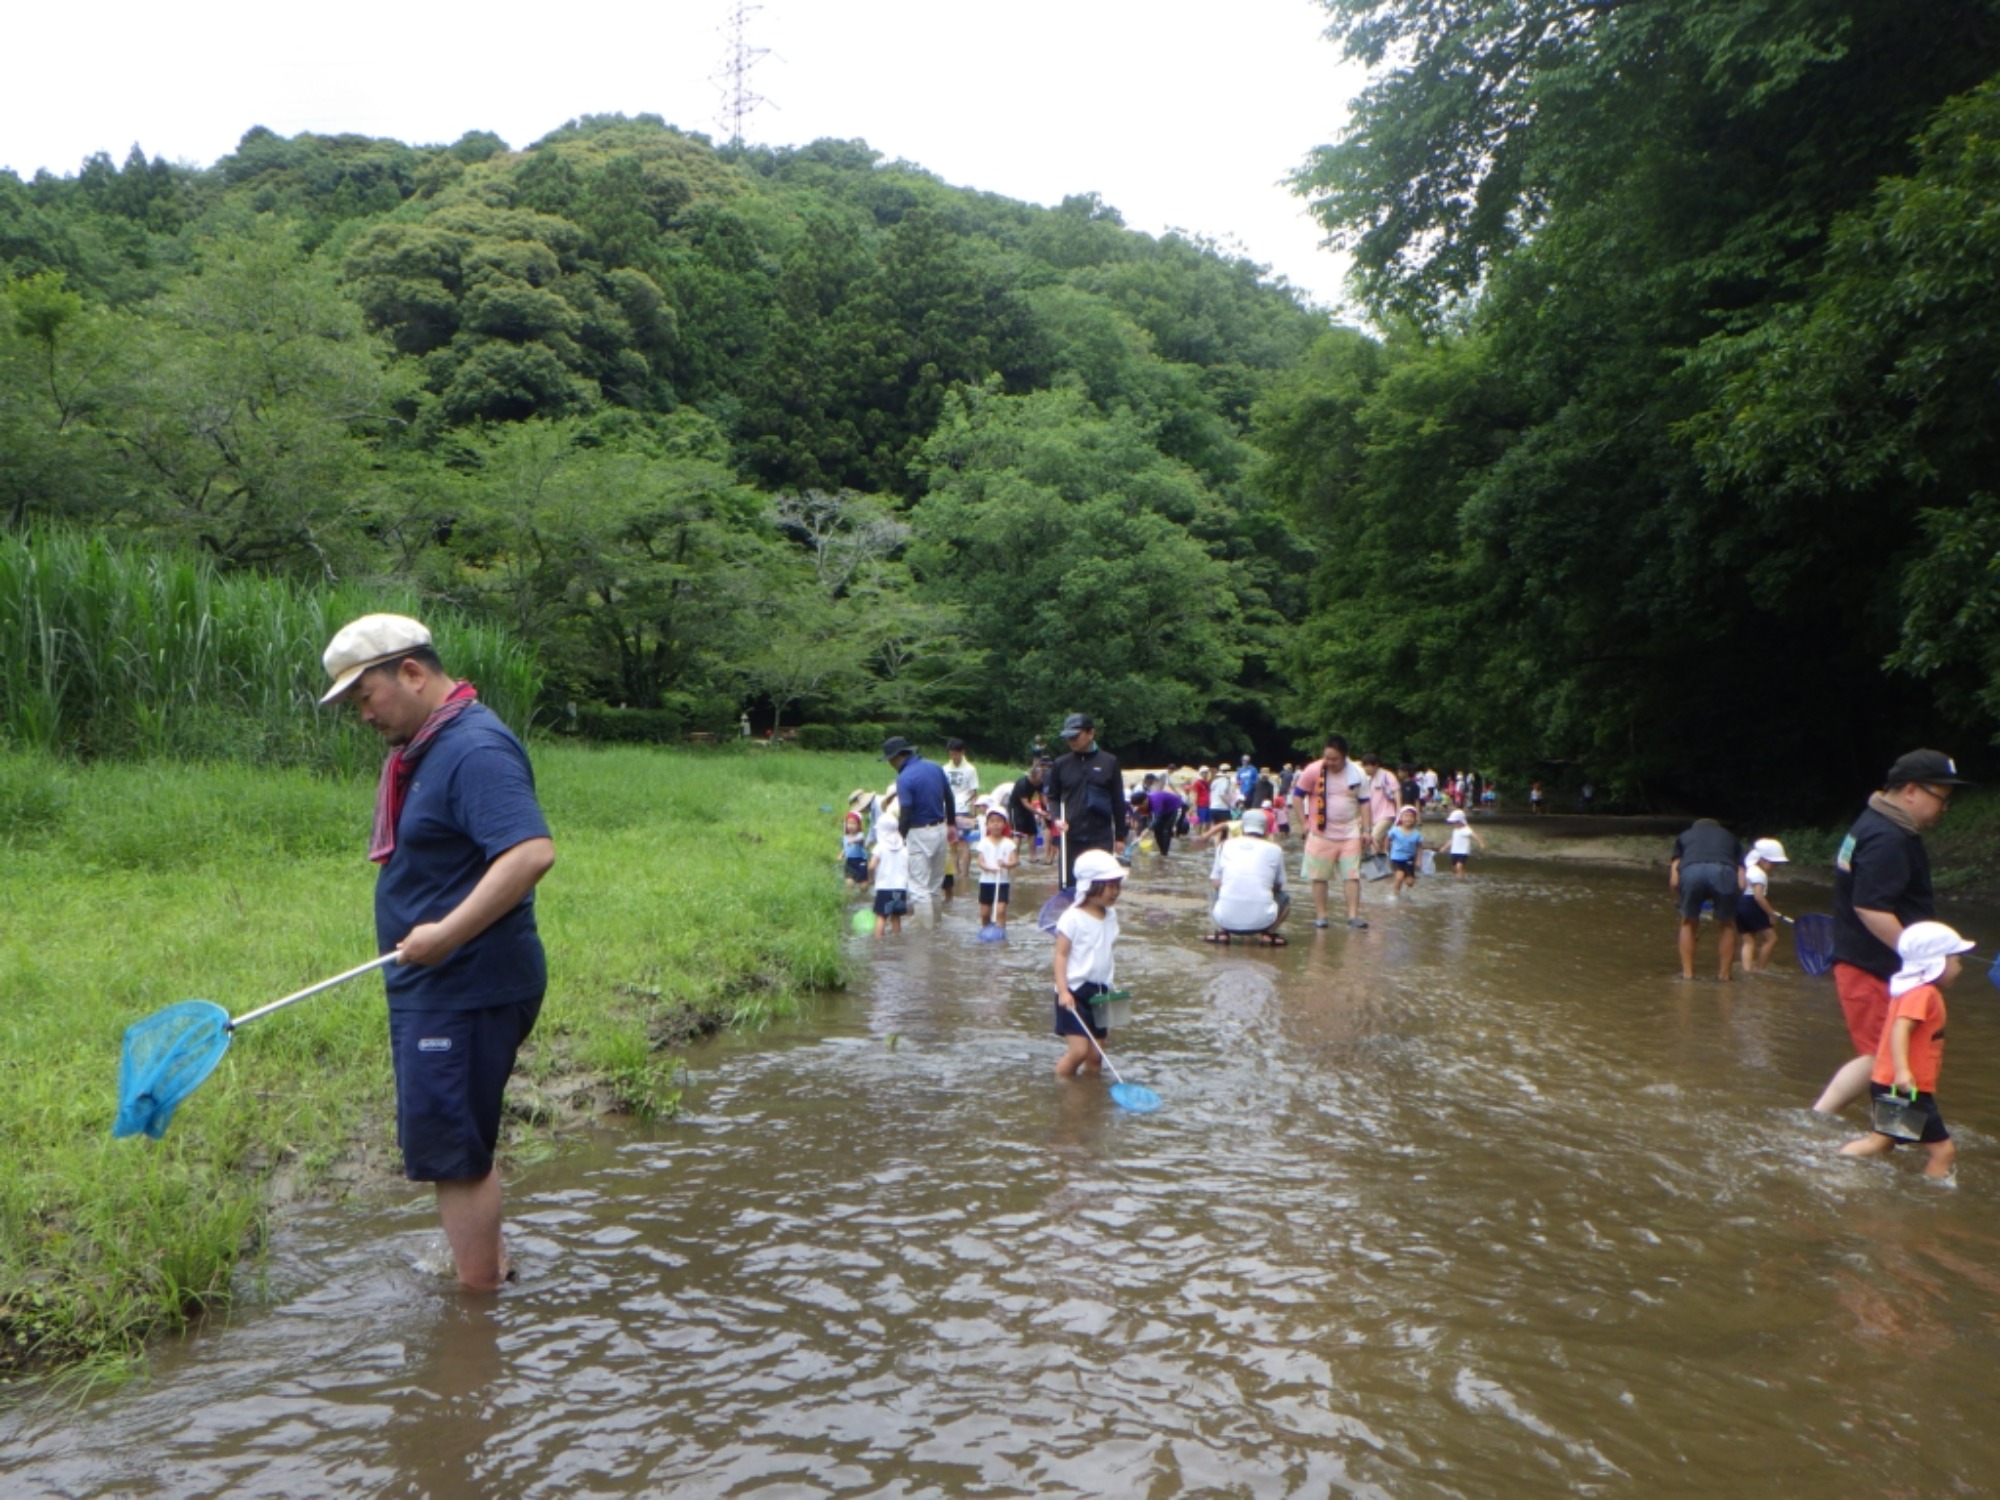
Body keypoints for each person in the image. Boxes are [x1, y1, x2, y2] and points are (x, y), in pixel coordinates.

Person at [318, 612, 555, 1292]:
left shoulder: (472, 748)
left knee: (454, 1153)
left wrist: (446, 933)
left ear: (413, 672)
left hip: (465, 985)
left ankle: (476, 1311)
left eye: (366, 697)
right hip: (442, 986)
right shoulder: (429, 745)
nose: (362, 715)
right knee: (460, 1140)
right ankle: (489, 1267)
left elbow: (531, 852)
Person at [1814, 750, 1970, 1115]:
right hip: (1871, 965)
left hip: (1867, 961)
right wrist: (1925, 958)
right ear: (1911, 790)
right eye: (1942, 798)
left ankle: (1830, 1120)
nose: (1944, 809)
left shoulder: (1875, 824)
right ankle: (1886, 1137)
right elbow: (1871, 907)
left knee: (1880, 1054)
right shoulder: (1887, 838)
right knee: (1889, 1057)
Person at [1839, 922, 1974, 1180]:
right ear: (1936, 962)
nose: (1960, 967)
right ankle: (1931, 1200)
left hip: (1890, 1083)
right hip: (1903, 1087)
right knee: (1943, 1152)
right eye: (1955, 959)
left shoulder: (1915, 990)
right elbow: (1900, 1029)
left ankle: (1834, 1162)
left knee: (1880, 1143)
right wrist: (1903, 1072)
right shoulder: (1922, 994)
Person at [1052, 848, 1126, 1079]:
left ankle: (1089, 1098)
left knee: (1096, 1057)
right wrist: (1063, 991)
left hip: (1102, 991)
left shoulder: (1110, 915)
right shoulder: (1072, 918)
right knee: (1080, 1050)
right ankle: (1060, 1086)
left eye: (1118, 885)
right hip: (1074, 992)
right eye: (1109, 886)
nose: (1115, 892)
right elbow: (1061, 956)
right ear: (1090, 886)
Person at [1290, 733, 1369, 929]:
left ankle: (1352, 916)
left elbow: (1365, 803)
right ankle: (1322, 916)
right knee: (1319, 876)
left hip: (1350, 831)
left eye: (1335, 759)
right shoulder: (1313, 770)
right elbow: (1298, 796)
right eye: (1327, 757)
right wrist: (1304, 823)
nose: (1330, 762)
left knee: (1352, 875)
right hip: (1320, 832)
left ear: (1344, 757)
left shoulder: (1357, 773)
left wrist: (1367, 829)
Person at [1044, 713, 1128, 889]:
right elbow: (1052, 797)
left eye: (1075, 736)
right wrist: (1056, 818)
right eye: (1068, 738)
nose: (1071, 741)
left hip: (1101, 836)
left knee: (1100, 887)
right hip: (1070, 836)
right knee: (1070, 886)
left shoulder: (1109, 762)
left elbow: (1118, 801)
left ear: (1090, 734)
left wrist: (1120, 836)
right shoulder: (1061, 764)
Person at [883, 736, 952, 918]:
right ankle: (937, 927)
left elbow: (906, 812)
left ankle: (924, 937)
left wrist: (899, 838)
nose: (890, 764)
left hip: (918, 832)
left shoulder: (904, 778)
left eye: (890, 760)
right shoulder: (935, 767)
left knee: (919, 889)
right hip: (940, 829)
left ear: (897, 757)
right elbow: (949, 798)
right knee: (935, 886)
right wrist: (951, 824)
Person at [1669, 817, 1743, 980]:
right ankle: (1724, 976)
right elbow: (1742, 881)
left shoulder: (1684, 836)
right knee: (1727, 924)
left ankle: (1688, 975)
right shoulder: (1730, 838)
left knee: (1688, 922)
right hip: (1724, 872)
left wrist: (1680, 903)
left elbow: (1674, 881)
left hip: (1691, 872)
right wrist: (1733, 902)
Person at [1205, 807, 1289, 945]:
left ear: (1242, 827)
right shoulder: (1275, 849)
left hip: (1225, 919)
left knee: (1215, 893)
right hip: (1263, 921)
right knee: (1284, 898)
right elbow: (1278, 885)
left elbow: (1215, 882)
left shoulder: (1223, 846)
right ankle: (1268, 933)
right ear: (1266, 829)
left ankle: (1223, 933)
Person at [1735, 838, 1789, 973]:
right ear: (1763, 860)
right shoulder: (1759, 874)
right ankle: (1760, 969)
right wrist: (1770, 914)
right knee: (1771, 938)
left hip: (1739, 905)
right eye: (1774, 864)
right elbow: (1759, 897)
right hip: (1750, 905)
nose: (1775, 868)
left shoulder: (1747, 869)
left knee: (1748, 941)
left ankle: (1746, 970)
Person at [942, 739, 980, 893]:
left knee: (964, 843)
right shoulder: (944, 769)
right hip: (947, 808)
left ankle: (964, 875)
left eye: (956, 753)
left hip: (964, 809)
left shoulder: (970, 769)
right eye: (951, 754)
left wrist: (973, 812)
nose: (953, 756)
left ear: (962, 752)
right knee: (952, 844)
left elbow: (973, 791)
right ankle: (955, 873)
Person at [975, 808, 1018, 930]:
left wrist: (1005, 864)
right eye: (992, 821)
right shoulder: (983, 842)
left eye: (999, 821)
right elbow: (980, 861)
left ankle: (1000, 933)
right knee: (985, 914)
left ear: (1004, 824)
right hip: (986, 882)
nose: (995, 824)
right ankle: (986, 931)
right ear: (987, 825)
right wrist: (989, 868)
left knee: (1000, 911)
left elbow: (1014, 861)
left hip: (1002, 882)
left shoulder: (1009, 843)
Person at [1009, 757, 1052, 865]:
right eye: (1039, 779)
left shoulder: (1039, 782)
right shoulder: (1022, 783)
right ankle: (1015, 858)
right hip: (1016, 807)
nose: (1041, 781)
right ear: (1032, 777)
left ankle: (1033, 857)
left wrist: (1047, 808)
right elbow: (1025, 803)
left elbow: (1042, 797)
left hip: (1028, 807)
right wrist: (1039, 812)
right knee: (1017, 833)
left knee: (1032, 832)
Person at [870, 826, 910, 936]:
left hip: (884, 887)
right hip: (900, 888)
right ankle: (897, 939)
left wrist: (871, 878)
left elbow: (872, 865)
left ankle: (878, 941)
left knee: (881, 916)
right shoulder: (904, 848)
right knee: (896, 916)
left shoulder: (880, 847)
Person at [1360, 752, 1400, 854]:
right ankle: (1382, 862)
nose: (1366, 768)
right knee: (1371, 840)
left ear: (1376, 765)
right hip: (1373, 815)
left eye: (1368, 765)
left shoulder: (1387, 775)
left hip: (1387, 814)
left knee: (1374, 837)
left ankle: (1375, 862)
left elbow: (1396, 791)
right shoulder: (1367, 779)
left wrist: (1399, 811)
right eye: (1365, 765)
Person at [1387, 805, 1427, 896]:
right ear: (1401, 818)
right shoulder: (1395, 830)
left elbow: (1420, 847)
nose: (1408, 819)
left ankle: (1402, 890)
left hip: (1409, 859)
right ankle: (1395, 895)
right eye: (1406, 816)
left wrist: (1419, 860)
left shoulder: (1417, 834)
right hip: (1396, 858)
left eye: (1411, 817)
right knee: (1400, 876)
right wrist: (1386, 850)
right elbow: (1388, 839)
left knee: (1410, 883)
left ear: (1415, 819)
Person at [1146, 774, 1186, 857]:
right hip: (1164, 809)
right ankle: (1162, 852)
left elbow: (1158, 817)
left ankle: (1165, 853)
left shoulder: (1155, 797)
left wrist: (1147, 830)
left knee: (1166, 830)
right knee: (1157, 830)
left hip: (1176, 808)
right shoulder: (1150, 793)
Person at [1445, 809, 1486, 876]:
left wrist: (1481, 843)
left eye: (1454, 822)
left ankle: (1460, 880)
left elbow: (1474, 835)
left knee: (1459, 866)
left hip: (1463, 852)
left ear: (1460, 822)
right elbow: (1452, 840)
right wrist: (1444, 847)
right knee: (1454, 868)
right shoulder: (1455, 830)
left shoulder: (1466, 829)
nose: (1453, 824)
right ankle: (1460, 876)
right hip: (1454, 852)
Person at [841, 812, 869, 889]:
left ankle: (864, 894)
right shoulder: (845, 837)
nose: (851, 826)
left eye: (853, 824)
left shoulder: (860, 835)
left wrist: (853, 840)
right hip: (849, 862)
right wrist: (842, 854)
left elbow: (860, 840)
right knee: (849, 883)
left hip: (861, 862)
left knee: (863, 885)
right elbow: (845, 847)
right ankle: (849, 896)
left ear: (858, 825)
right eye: (849, 823)